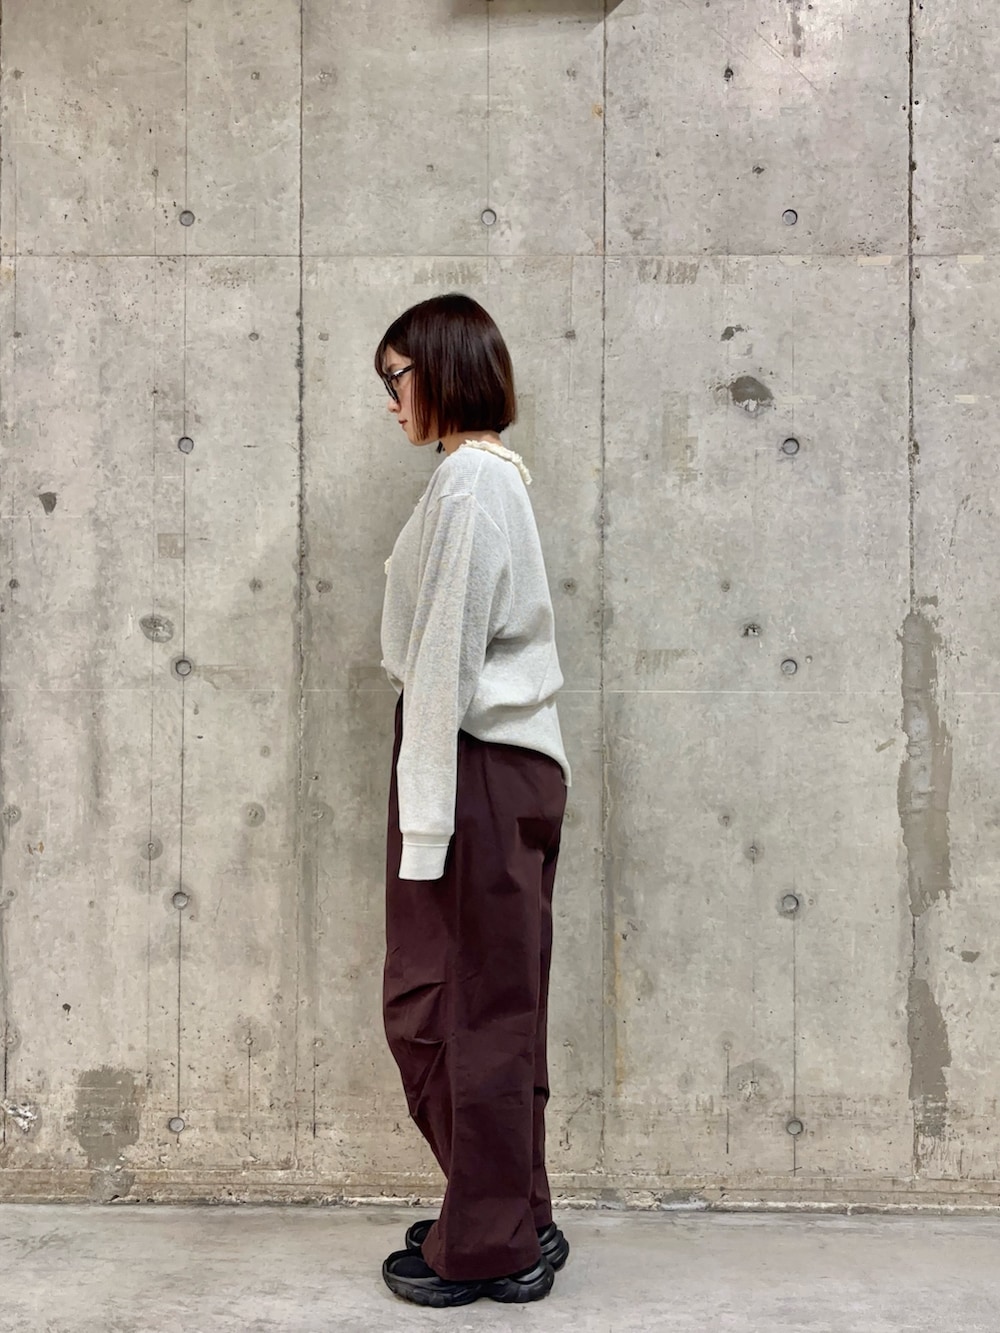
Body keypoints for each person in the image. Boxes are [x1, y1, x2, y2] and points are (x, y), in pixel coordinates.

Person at [376, 293, 573, 1308]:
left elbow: (444, 664)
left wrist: (423, 825)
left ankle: (492, 1242)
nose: (390, 400)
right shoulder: (490, 477)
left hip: (472, 764)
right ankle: (513, 1210)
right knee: (496, 1003)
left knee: (446, 1007)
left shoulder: (467, 484)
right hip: (509, 767)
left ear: (442, 371)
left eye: (395, 377)